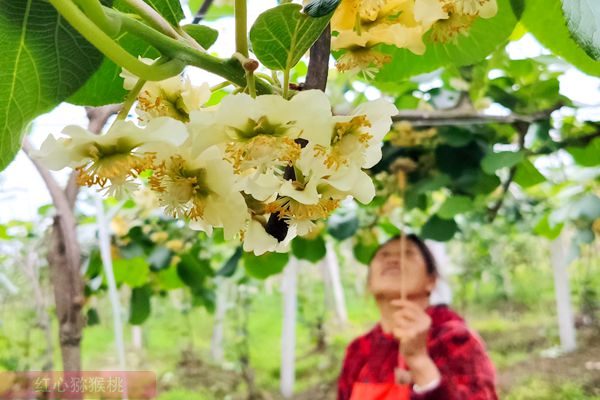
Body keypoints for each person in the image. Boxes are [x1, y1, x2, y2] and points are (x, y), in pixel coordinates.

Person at [337, 234, 498, 400]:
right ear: (370, 282)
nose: (392, 260)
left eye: (407, 254)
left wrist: (419, 361)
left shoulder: (455, 339)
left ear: (431, 281)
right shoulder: (359, 349)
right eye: (384, 255)